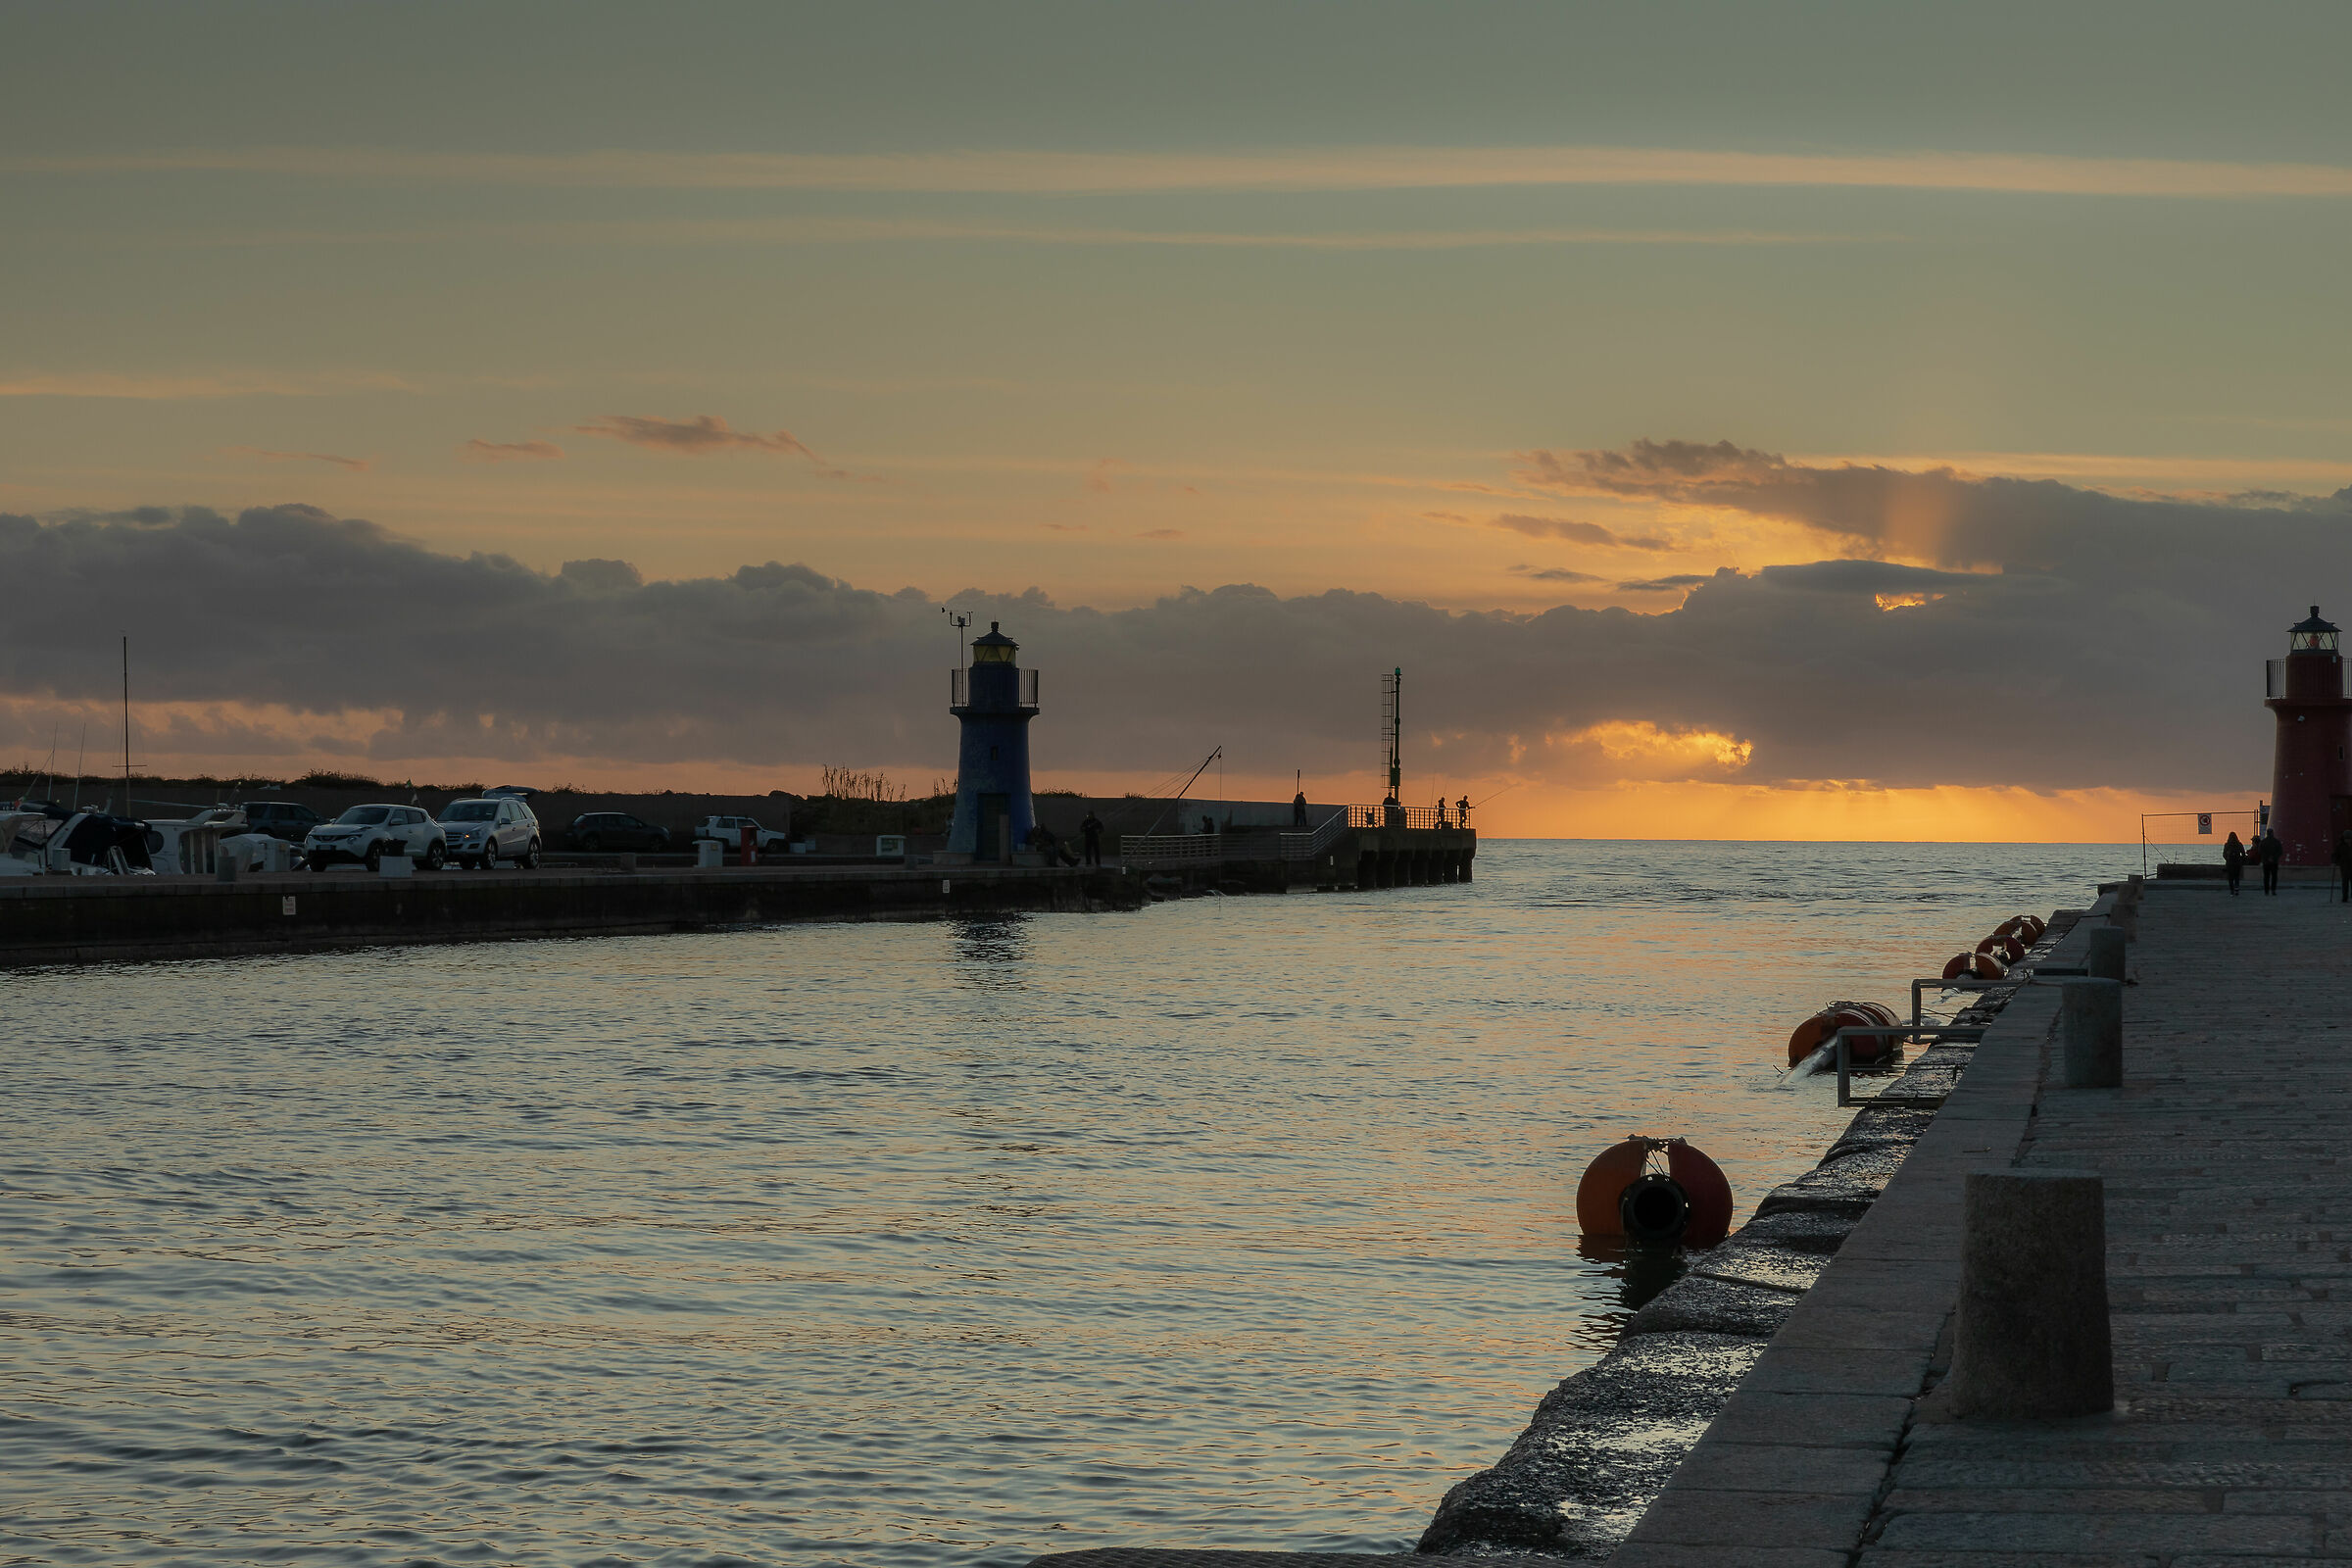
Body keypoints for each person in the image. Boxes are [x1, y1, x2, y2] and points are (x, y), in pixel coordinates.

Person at [2260, 827, 2284, 895]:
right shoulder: (2277, 842)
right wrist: (2273, 857)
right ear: (2273, 833)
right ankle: (2273, 890)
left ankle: (2266, 891)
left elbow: (2260, 851)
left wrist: (2267, 858)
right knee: (2274, 877)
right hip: (2274, 862)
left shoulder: (2263, 842)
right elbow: (2280, 851)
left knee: (2266, 877)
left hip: (2266, 862)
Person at [2223, 830, 2246, 896]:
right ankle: (2236, 889)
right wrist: (2241, 860)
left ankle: (2232, 891)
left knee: (2230, 878)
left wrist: (2227, 859)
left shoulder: (2227, 845)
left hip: (2230, 863)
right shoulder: (2239, 844)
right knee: (2236, 877)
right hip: (2237, 863)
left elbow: (2224, 854)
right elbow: (2243, 854)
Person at [2333, 830, 2352, 904]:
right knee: (2345, 882)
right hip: (2344, 866)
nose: (2348, 840)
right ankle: (2345, 897)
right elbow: (2335, 855)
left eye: (2349, 838)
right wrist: (2334, 862)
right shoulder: (2340, 845)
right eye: (2346, 839)